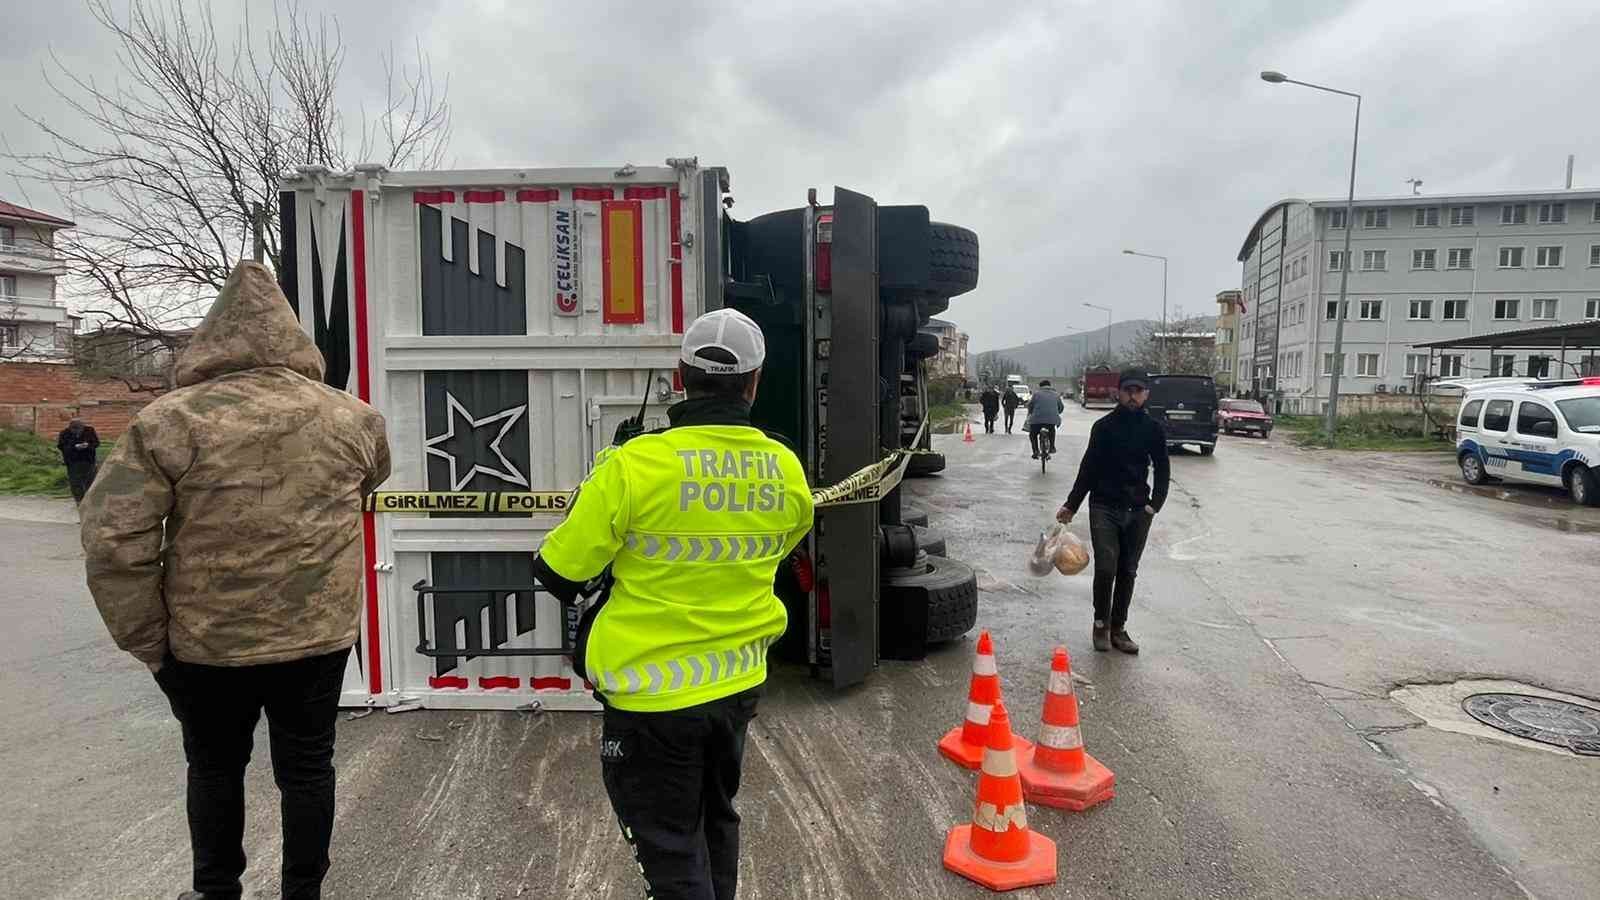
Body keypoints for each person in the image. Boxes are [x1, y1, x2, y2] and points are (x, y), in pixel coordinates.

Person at [80, 261, 391, 900]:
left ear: (211, 339)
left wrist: (148, 641)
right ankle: (304, 892)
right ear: (293, 338)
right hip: (317, 638)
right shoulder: (354, 418)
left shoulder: (171, 421)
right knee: (308, 768)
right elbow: (370, 483)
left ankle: (215, 890)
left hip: (207, 644)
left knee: (215, 767)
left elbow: (114, 537)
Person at [532, 308, 814, 900]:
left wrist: (603, 487)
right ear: (754, 383)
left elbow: (557, 572)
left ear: (680, 376)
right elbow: (780, 546)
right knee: (715, 823)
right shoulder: (785, 468)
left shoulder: (634, 465)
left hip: (650, 698)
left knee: (668, 849)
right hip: (736, 686)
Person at [1055, 368, 1169, 655]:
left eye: (1138, 391)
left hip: (1138, 511)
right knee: (1106, 568)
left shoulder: (1153, 429)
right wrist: (1071, 504)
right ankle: (1100, 624)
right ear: (1118, 392)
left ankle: (1119, 628)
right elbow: (1088, 468)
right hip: (1104, 505)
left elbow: (1163, 468)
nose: (1133, 395)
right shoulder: (1104, 427)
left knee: (1128, 570)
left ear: (1146, 394)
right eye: (1128, 390)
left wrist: (1154, 505)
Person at [57, 417, 101, 503]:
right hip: (73, 462)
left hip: (88, 460)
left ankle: (90, 500)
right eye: (74, 428)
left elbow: (96, 443)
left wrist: (87, 445)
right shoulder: (64, 433)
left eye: (79, 428)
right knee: (75, 482)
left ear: (83, 426)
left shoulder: (89, 431)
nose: (77, 431)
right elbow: (61, 446)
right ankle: (79, 501)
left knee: (90, 481)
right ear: (70, 427)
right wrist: (74, 447)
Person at [1025, 379, 1064, 459]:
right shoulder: (1056, 395)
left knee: (1033, 434)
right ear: (1050, 386)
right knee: (1052, 430)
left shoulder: (1036, 394)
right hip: (1051, 419)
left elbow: (1030, 406)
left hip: (1037, 420)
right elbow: (1061, 407)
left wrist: (1031, 412)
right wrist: (1056, 413)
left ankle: (1035, 451)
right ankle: (1052, 447)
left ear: (1040, 386)